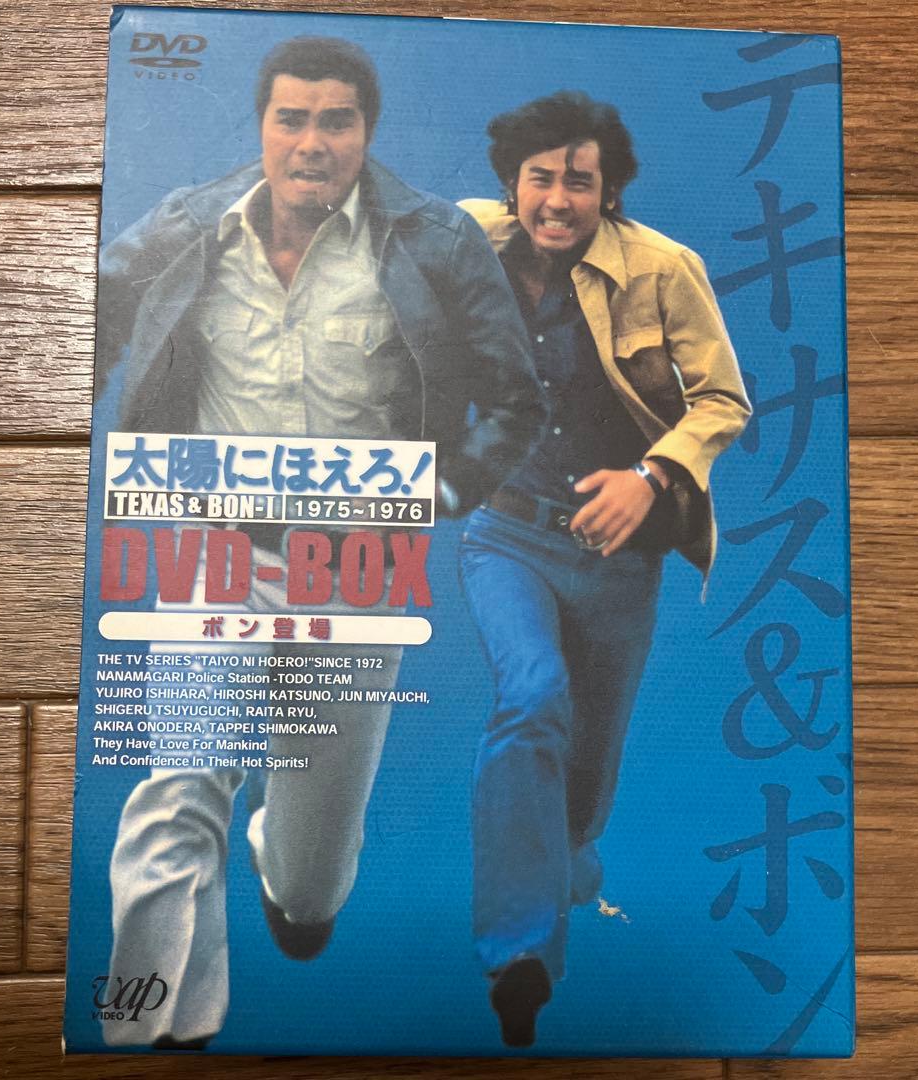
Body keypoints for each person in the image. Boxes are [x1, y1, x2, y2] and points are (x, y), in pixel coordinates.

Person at [93, 36, 544, 1049]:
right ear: (262, 126)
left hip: (357, 570)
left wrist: (441, 492)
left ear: (365, 133)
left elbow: (515, 401)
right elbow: (94, 308)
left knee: (310, 885)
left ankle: (287, 864)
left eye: (335, 121)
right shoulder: (193, 225)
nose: (311, 142)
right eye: (291, 119)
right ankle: (153, 1032)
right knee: (179, 784)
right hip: (213, 549)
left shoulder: (436, 240)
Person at [458, 91, 751, 1048]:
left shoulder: (663, 269)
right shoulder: (465, 241)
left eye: (579, 181)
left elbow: (723, 399)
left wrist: (650, 475)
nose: (557, 198)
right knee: (530, 695)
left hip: (622, 557)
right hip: (507, 534)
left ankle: (571, 859)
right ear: (512, 183)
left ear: (609, 191)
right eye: (539, 177)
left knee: (585, 785)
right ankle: (519, 956)